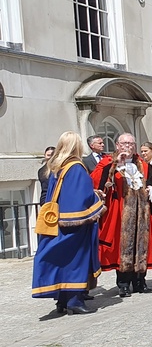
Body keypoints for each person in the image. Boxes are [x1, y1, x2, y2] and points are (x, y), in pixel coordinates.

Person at [31, 132, 105, 314]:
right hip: (75, 224)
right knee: (75, 261)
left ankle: (61, 301)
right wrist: (97, 197)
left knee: (62, 260)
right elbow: (81, 199)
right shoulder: (76, 167)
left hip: (58, 221)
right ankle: (75, 301)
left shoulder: (56, 166)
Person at [92, 133, 152, 297]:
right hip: (121, 214)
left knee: (141, 246)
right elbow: (98, 183)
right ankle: (123, 284)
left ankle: (140, 282)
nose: (128, 146)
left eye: (131, 143)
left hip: (141, 214)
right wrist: (116, 164)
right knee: (123, 248)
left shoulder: (144, 164)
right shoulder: (108, 163)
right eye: (124, 143)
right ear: (117, 145)